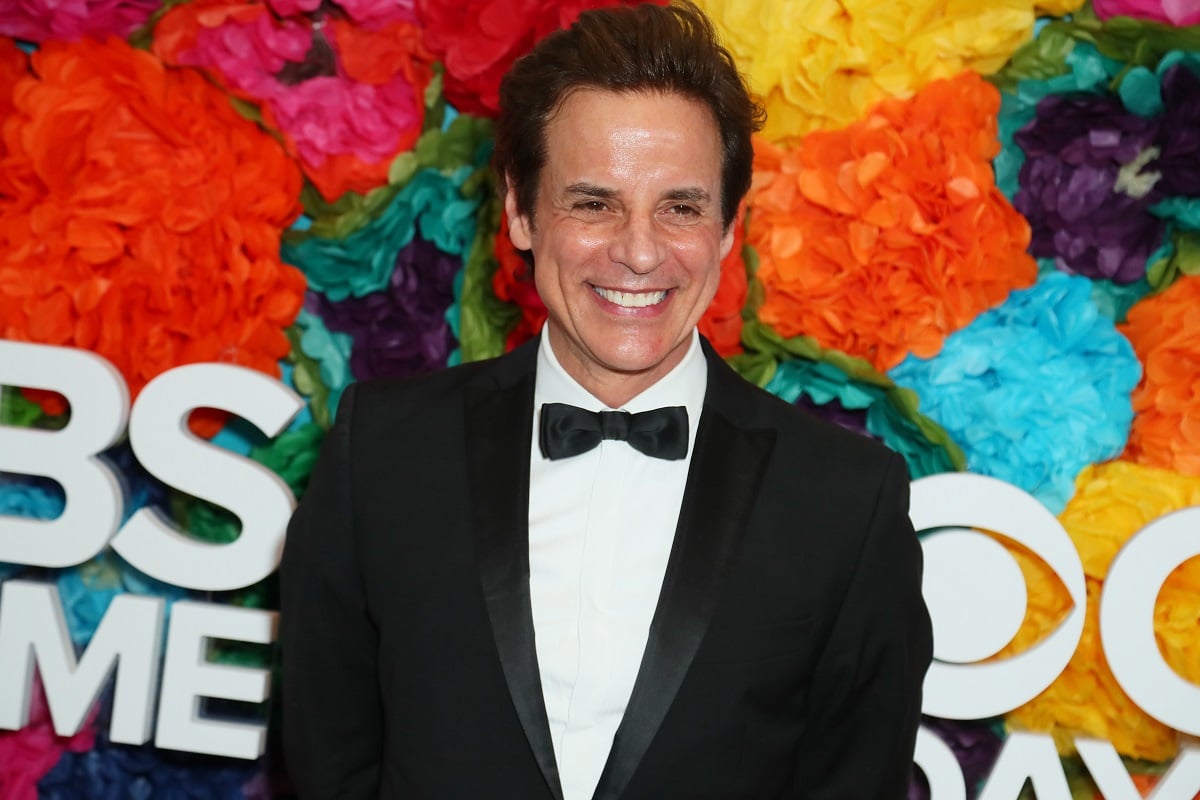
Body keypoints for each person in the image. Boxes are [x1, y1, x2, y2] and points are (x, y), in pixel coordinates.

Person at [280, 2, 932, 798]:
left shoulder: (845, 501)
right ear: (520, 209)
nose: (639, 250)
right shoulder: (381, 452)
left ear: (728, 227)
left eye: (680, 207)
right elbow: (326, 761)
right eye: (594, 203)